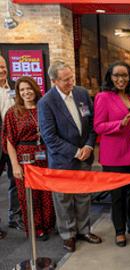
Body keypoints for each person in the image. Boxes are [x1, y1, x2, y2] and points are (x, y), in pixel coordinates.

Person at [38, 60, 102, 252]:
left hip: (85, 155)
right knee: (64, 199)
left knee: (83, 196)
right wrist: (76, 152)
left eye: (72, 77)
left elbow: (92, 124)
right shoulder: (46, 102)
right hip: (62, 160)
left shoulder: (82, 93)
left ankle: (84, 230)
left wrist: (89, 146)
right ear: (54, 81)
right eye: (66, 80)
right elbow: (49, 137)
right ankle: (68, 235)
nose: (71, 82)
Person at [93, 62, 130, 247]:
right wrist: (119, 124)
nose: (121, 79)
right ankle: (119, 231)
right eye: (117, 75)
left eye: (124, 75)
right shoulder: (103, 97)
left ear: (129, 77)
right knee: (118, 195)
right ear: (110, 77)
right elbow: (98, 126)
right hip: (114, 156)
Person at [2, 76, 55, 241]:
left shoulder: (45, 107)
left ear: (35, 89)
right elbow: (10, 142)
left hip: (45, 154)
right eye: (22, 90)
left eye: (29, 88)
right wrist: (15, 166)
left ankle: (48, 225)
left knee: (46, 191)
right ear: (18, 93)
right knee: (28, 194)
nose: (26, 92)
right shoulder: (13, 112)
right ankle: (35, 228)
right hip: (24, 157)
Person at [0, 56, 25, 235]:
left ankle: (15, 217)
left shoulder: (16, 87)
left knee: (16, 180)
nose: (1, 70)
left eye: (3, 67)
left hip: (15, 143)